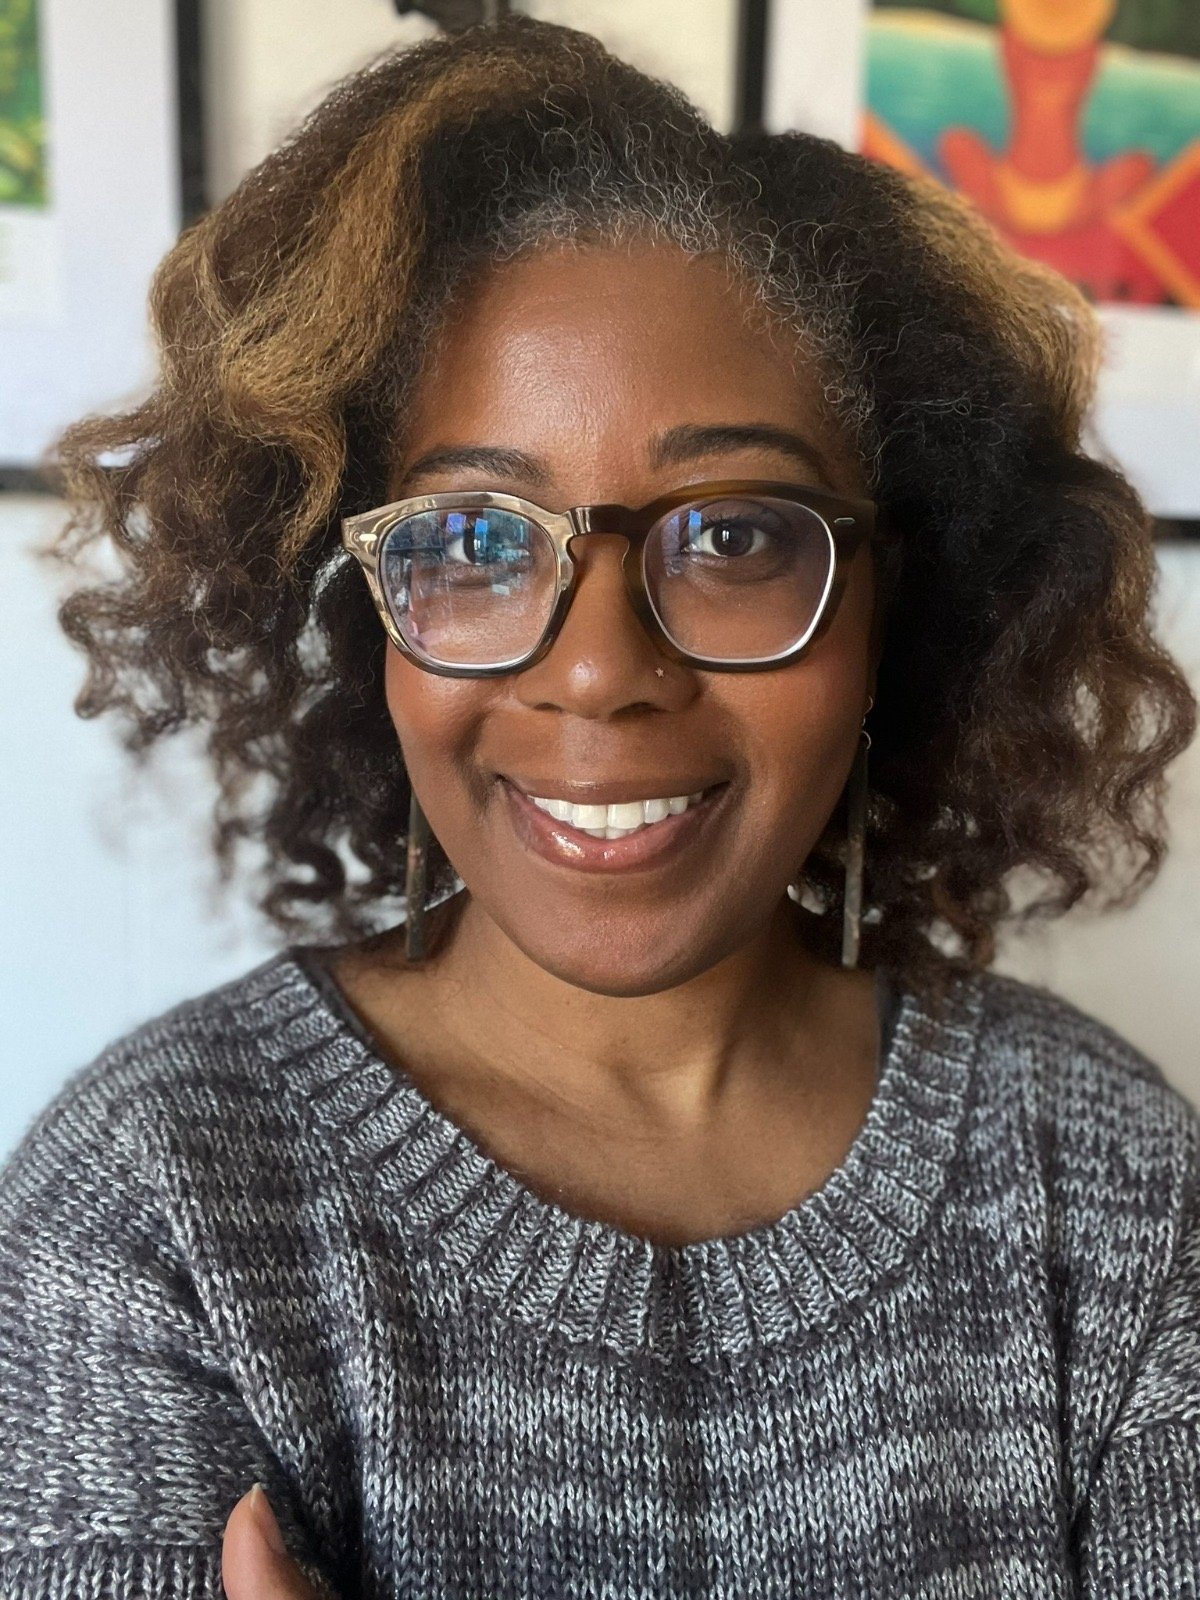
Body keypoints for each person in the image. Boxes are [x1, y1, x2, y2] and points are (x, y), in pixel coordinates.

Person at [1, 15, 1197, 1598]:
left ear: (892, 603)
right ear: (369, 619)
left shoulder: (1104, 1185)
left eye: (734, 536)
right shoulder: (153, 1215)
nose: (598, 673)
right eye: (475, 541)